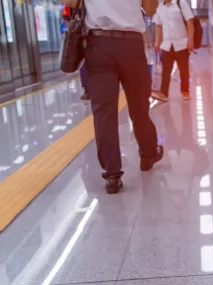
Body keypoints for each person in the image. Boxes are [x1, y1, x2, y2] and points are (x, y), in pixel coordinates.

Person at [62, 0, 163, 194]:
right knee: (139, 105)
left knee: (104, 112)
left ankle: (112, 174)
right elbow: (150, 9)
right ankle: (148, 154)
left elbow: (69, 2)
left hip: (99, 45)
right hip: (131, 45)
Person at [151, 0, 195, 102]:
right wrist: (157, 42)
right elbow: (158, 26)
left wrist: (190, 39)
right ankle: (164, 93)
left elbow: (190, 22)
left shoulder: (181, 3)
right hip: (166, 45)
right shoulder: (159, 8)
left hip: (182, 43)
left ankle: (185, 91)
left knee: (183, 69)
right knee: (166, 70)